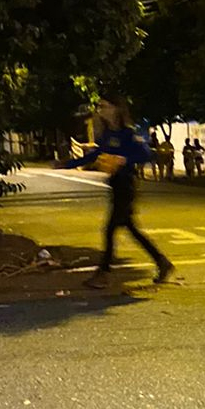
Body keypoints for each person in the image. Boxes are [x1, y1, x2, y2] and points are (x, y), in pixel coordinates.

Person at [56, 93, 174, 289]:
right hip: (115, 185)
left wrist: (124, 159)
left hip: (125, 186)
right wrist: (68, 164)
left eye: (104, 106)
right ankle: (162, 262)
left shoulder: (128, 133)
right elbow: (93, 155)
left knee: (110, 230)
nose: (101, 110)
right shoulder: (108, 135)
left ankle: (104, 273)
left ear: (116, 109)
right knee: (130, 229)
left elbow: (145, 154)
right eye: (100, 106)